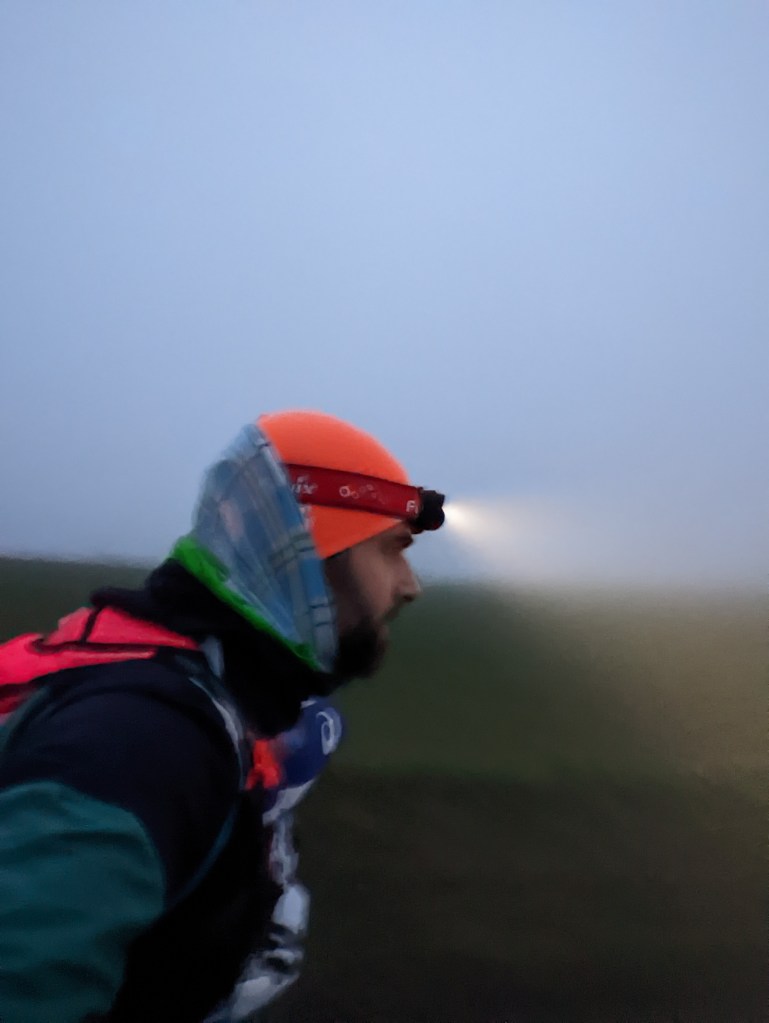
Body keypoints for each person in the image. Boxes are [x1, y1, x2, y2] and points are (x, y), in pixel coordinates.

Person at [0, 410, 444, 1023]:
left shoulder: (213, 694)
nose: (410, 585)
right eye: (392, 549)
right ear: (309, 555)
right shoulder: (145, 742)